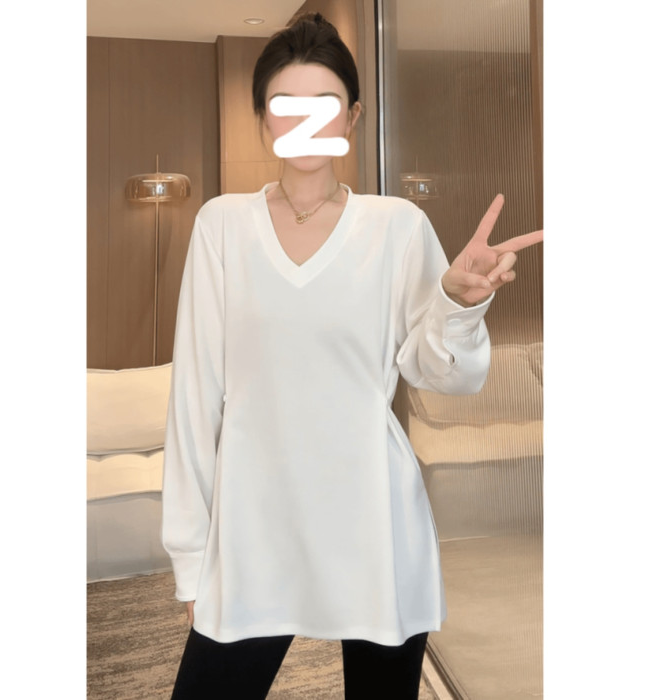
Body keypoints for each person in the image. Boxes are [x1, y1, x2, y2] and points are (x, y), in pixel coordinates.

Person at [162, 11, 543, 700]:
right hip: (254, 531)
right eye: (287, 106)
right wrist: (191, 555)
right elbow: (194, 399)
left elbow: (443, 374)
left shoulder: (397, 226)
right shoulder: (221, 225)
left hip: (376, 524)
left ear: (354, 116)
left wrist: (456, 303)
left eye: (325, 105)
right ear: (263, 120)